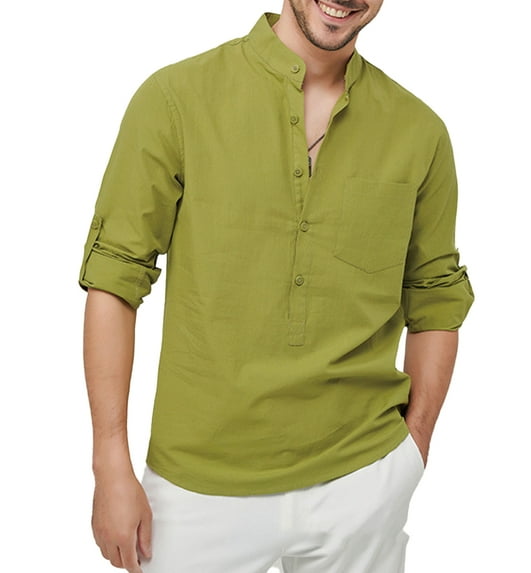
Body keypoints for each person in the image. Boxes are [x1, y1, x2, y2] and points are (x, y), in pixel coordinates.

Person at [79, 1, 474, 572]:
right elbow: (115, 279)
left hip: (362, 479)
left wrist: (413, 448)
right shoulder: (176, 98)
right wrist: (109, 461)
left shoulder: (419, 130)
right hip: (200, 487)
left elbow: (435, 296)